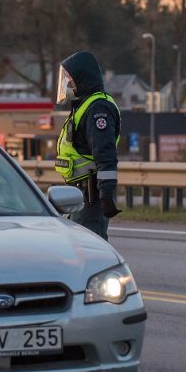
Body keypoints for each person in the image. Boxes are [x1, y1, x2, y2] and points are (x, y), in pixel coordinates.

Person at [54, 50, 121, 240]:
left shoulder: (98, 109)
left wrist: (106, 194)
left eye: (71, 79)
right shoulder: (83, 106)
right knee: (77, 252)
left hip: (91, 197)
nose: (68, 84)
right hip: (78, 195)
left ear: (82, 78)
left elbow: (105, 154)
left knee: (89, 253)